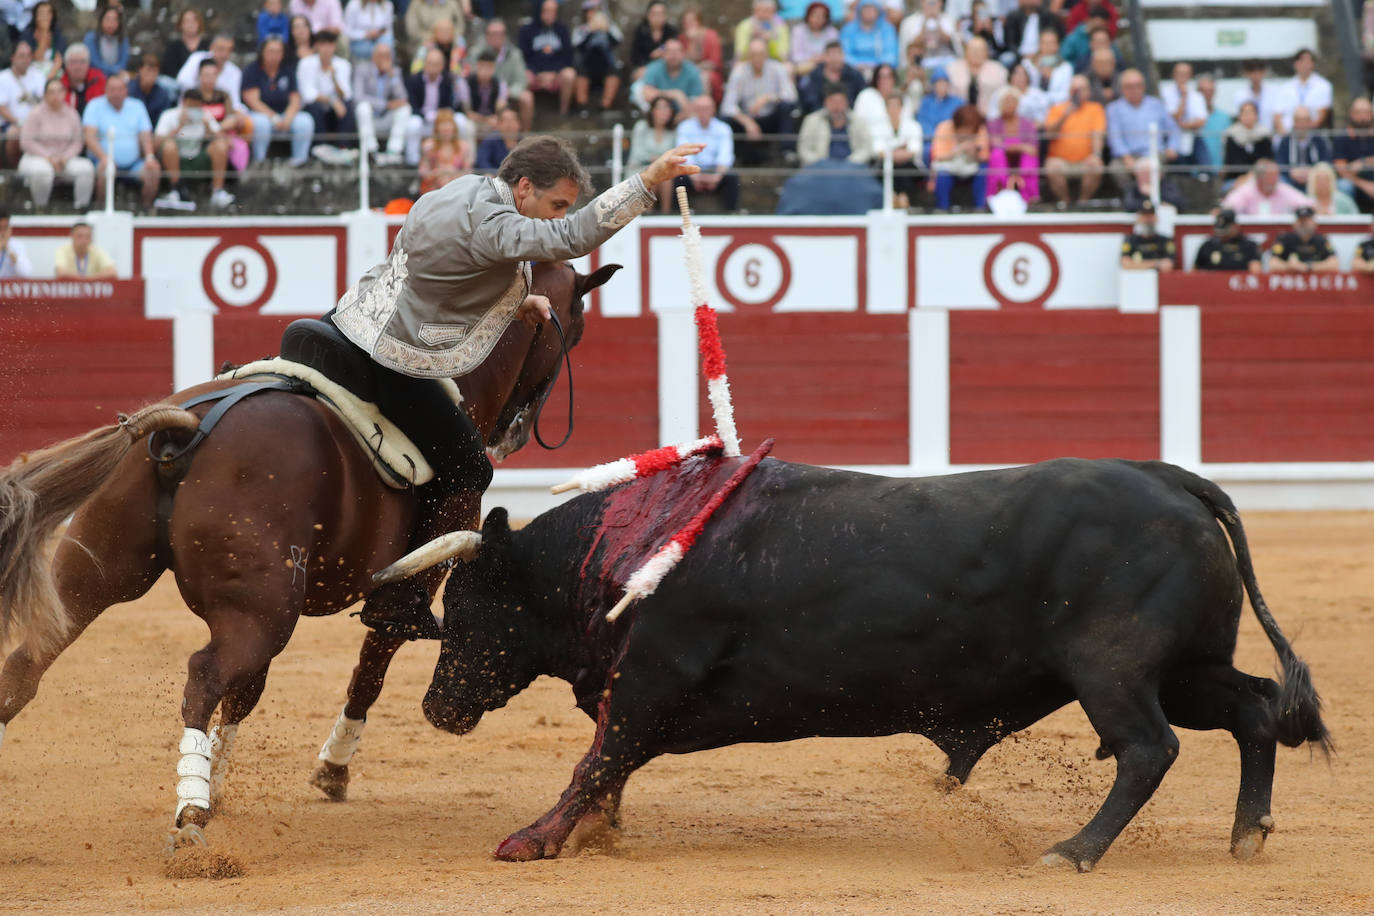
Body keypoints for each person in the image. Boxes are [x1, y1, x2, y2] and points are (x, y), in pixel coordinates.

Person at [327, 136, 703, 637]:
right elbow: (571, 238)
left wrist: (512, 300)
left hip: (348, 322)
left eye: (564, 206)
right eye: (556, 204)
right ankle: (400, 600)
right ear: (524, 187)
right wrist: (648, 179)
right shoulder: (498, 224)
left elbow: (450, 274)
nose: (557, 216)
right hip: (398, 357)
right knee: (468, 467)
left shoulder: (460, 190)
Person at [82, 73, 160, 209]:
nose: (116, 93)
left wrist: (149, 156)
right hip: (103, 160)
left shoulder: (137, 106)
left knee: (153, 169)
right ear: (105, 90)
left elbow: (145, 134)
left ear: (126, 90)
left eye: (119, 89)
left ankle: (145, 209)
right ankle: (101, 208)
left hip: (134, 163)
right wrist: (104, 157)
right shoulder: (94, 106)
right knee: (105, 168)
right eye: (112, 89)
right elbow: (89, 136)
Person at [18, 77, 94, 209]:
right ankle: (40, 208)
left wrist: (65, 157)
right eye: (51, 92)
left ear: (64, 93)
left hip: (64, 158)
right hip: (36, 157)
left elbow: (77, 142)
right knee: (42, 172)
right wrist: (49, 157)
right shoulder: (35, 113)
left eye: (59, 91)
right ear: (45, 95)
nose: (56, 96)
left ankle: (81, 208)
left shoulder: (72, 114)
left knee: (86, 169)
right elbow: (26, 142)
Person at [155, 88, 235, 210]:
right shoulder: (169, 115)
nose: (194, 110)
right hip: (176, 159)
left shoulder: (205, 116)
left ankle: (217, 192)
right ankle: (176, 190)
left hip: (197, 157)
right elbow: (156, 143)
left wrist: (208, 128)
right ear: (184, 103)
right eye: (191, 106)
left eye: (197, 107)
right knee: (169, 145)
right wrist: (179, 126)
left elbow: (225, 141)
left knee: (220, 145)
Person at [1106, 69, 1179, 200]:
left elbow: (1173, 129)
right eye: (1129, 86)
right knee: (1116, 168)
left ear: (1144, 86)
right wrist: (1126, 156)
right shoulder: (1114, 108)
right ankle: (1133, 198)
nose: (1134, 90)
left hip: (1156, 153)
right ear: (1122, 88)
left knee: (1151, 166)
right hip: (1128, 155)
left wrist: (1172, 147)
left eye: (1137, 85)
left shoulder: (1157, 105)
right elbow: (1114, 136)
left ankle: (1154, 199)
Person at [721, 37, 796, 164]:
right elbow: (727, 106)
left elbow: (791, 95)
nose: (757, 58)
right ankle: (731, 157)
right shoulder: (739, 72)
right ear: (748, 56)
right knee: (724, 119)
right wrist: (746, 121)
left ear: (766, 54)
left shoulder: (777, 68)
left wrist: (768, 97)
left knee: (786, 107)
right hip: (747, 120)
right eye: (753, 54)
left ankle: (787, 152)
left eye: (760, 54)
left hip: (771, 118)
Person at [243, 36, 315, 166]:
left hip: (284, 114)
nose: (274, 55)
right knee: (261, 124)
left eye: (278, 52)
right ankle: (260, 162)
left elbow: (295, 98)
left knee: (305, 121)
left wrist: (287, 118)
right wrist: (274, 118)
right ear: (262, 52)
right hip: (261, 114)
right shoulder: (252, 70)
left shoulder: (287, 70)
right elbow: (252, 100)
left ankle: (299, 162)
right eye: (270, 51)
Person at [1043, 73, 1104, 204]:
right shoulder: (1057, 109)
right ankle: (1065, 203)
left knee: (1096, 164)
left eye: (1081, 89)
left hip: (1085, 160)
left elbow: (1097, 134)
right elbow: (1049, 134)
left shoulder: (1095, 109)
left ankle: (1083, 202)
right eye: (1074, 89)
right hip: (1060, 161)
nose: (1077, 93)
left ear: (1088, 91)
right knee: (1051, 166)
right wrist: (1064, 116)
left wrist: (1096, 154)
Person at [298, 30, 357, 160]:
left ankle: (344, 147)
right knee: (315, 106)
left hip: (335, 111)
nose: (326, 48)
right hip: (315, 109)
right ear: (317, 46)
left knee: (348, 105)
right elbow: (308, 94)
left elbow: (346, 94)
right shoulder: (306, 64)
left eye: (330, 44)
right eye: (323, 44)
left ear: (334, 46)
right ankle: (320, 147)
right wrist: (332, 101)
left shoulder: (343, 65)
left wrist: (334, 78)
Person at [675, 94, 738, 210]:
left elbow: (725, 156)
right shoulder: (684, 127)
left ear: (713, 110)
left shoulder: (723, 128)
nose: (703, 112)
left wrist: (717, 177)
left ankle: (731, 216)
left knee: (732, 177)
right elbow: (684, 155)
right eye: (700, 109)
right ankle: (676, 216)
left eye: (707, 108)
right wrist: (695, 177)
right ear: (695, 110)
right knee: (678, 178)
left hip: (716, 170)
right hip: (691, 170)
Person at [353, 40, 410, 164]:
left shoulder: (395, 72)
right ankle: (370, 150)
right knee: (363, 107)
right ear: (373, 56)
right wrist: (386, 104)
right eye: (380, 55)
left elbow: (403, 99)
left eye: (387, 56)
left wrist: (392, 76)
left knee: (405, 109)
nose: (384, 59)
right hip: (368, 118)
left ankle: (394, 151)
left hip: (385, 118)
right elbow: (358, 97)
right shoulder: (362, 69)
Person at [471, 20, 533, 131]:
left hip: (509, 95)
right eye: (492, 34)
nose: (496, 37)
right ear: (486, 36)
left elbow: (521, 80)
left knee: (527, 97)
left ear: (505, 36)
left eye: (500, 34)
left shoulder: (515, 54)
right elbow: (470, 76)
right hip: (483, 94)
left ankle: (524, 138)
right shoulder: (476, 53)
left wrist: (507, 92)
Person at [798, 80, 874, 166]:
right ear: (825, 102)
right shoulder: (812, 120)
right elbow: (803, 150)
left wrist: (851, 163)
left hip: (852, 170)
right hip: (820, 171)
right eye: (832, 101)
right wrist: (821, 163)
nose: (836, 106)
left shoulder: (858, 121)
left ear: (847, 102)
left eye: (840, 101)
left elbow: (867, 148)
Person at [520, 0, 576, 116]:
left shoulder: (562, 30)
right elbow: (524, 57)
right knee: (524, 76)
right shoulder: (527, 30)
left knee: (569, 74)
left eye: (553, 11)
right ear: (539, 11)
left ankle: (563, 113)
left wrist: (554, 73)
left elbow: (568, 57)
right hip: (535, 75)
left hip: (556, 75)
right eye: (547, 11)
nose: (550, 15)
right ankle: (528, 113)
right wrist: (538, 73)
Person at [930, 102, 987, 210]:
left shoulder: (980, 129)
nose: (967, 133)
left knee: (983, 171)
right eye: (964, 128)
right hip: (950, 167)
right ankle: (943, 210)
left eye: (970, 129)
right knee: (942, 175)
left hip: (971, 167)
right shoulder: (943, 128)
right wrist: (959, 149)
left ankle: (980, 209)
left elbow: (984, 157)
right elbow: (938, 155)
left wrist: (973, 153)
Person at [986, 85, 1038, 202]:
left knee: (1029, 158)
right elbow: (994, 144)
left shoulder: (1027, 124)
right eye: (1006, 101)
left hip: (1021, 159)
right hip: (1002, 159)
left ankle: (1030, 195)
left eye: (1013, 100)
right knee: (997, 155)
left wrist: (1008, 146)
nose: (1009, 104)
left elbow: (1033, 150)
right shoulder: (993, 123)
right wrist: (1019, 146)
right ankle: (999, 191)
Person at [873, 90, 924, 207]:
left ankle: (901, 199)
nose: (893, 109)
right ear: (886, 108)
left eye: (896, 106)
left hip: (908, 165)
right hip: (886, 166)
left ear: (901, 107)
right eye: (890, 106)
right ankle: (896, 198)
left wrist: (890, 152)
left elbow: (914, 150)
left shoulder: (913, 126)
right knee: (887, 167)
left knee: (904, 168)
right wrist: (900, 150)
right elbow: (878, 151)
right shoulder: (878, 127)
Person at [629, 95, 678, 209]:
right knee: (653, 177)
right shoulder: (641, 127)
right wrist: (659, 160)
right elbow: (638, 153)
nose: (664, 112)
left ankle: (666, 215)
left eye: (667, 108)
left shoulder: (672, 131)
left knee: (664, 178)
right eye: (660, 108)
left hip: (663, 171)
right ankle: (647, 216)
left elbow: (674, 154)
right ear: (652, 111)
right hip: (640, 169)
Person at [0, 41, 44, 165]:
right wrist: (20, 122)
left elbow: (44, 102)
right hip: (12, 124)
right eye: (21, 55)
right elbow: (1, 108)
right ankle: (14, 170)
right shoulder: (3, 78)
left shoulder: (39, 76)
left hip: (36, 124)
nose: (25, 59)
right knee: (14, 134)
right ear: (12, 57)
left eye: (28, 55)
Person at [572, 2, 622, 111]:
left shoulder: (610, 27)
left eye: (596, 11)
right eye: (590, 11)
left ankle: (605, 105)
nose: (594, 14)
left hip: (605, 66)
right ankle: (582, 107)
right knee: (580, 73)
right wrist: (590, 31)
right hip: (587, 66)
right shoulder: (581, 29)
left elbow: (618, 41)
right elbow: (577, 45)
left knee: (614, 73)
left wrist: (607, 29)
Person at [1221, 159, 1314, 217]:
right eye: (1271, 175)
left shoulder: (1282, 188)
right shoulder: (1247, 190)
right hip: (1250, 240)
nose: (1275, 179)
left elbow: (1306, 204)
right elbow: (1230, 206)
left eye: (1276, 175)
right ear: (1259, 178)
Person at [176, 34, 244, 112]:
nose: (224, 54)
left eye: (229, 50)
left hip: (221, 112)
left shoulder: (235, 72)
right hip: (192, 109)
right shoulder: (196, 59)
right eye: (221, 49)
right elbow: (182, 82)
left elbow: (235, 102)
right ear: (212, 47)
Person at [1158, 61, 1207, 167]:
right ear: (1174, 74)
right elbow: (1174, 117)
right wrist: (1183, 98)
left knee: (1206, 166)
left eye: (1185, 74)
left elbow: (1202, 121)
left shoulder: (1197, 96)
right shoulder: (1165, 92)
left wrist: (1183, 125)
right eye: (1179, 73)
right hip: (1172, 138)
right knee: (1180, 169)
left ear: (1190, 75)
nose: (1182, 77)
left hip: (1194, 136)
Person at [798, 40, 866, 115]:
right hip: (821, 116)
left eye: (838, 54)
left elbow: (863, 98)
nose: (835, 59)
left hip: (850, 115)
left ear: (843, 56)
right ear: (824, 57)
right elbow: (810, 101)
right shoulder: (814, 76)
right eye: (832, 55)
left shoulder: (854, 75)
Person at [1273, 48, 1331, 133]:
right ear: (1295, 64)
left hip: (1312, 134)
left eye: (1307, 61)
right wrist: (1285, 136)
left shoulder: (1324, 86)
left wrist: (1303, 131)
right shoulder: (1284, 88)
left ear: (1313, 64)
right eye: (1301, 61)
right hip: (1288, 134)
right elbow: (1277, 115)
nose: (1304, 65)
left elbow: (1321, 116)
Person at [637, 38, 702, 113]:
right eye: (669, 52)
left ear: (683, 54)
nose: (673, 56)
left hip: (684, 115)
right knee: (637, 87)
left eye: (676, 52)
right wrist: (674, 94)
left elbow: (698, 100)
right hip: (659, 114)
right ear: (663, 54)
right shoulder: (654, 67)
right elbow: (647, 94)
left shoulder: (693, 71)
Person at [946, 35, 1005, 118]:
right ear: (966, 51)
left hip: (989, 116)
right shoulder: (951, 69)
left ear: (986, 52)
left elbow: (1002, 96)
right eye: (973, 50)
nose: (976, 53)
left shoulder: (998, 70)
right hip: (958, 116)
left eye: (980, 50)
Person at [1332, 97, 1374, 212]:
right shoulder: (1342, 137)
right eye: (1359, 112)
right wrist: (1366, 186)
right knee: (1343, 185)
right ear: (1352, 115)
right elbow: (1342, 170)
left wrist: (1363, 162)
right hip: (1354, 183)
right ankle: (1348, 219)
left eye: (1366, 112)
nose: (1363, 117)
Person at [1267, 205, 1338, 273]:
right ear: (1295, 223)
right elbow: (1272, 264)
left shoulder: (1321, 240)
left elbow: (1334, 264)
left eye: (1306, 220)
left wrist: (1309, 267)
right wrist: (1290, 266)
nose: (1303, 223)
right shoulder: (1284, 239)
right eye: (1301, 220)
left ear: (1314, 223)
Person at [1273, 106, 1330, 189]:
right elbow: (1279, 163)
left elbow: (1326, 162)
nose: (1302, 124)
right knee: (1280, 181)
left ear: (1310, 122)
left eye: (1305, 120)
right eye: (1298, 120)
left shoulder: (1319, 141)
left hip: (1316, 180)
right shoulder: (1286, 141)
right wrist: (1291, 172)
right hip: (1290, 180)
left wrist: (1313, 172)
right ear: (1294, 122)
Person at [916, 64, 962, 162]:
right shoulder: (926, 102)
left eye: (944, 82)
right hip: (930, 141)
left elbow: (960, 122)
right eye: (938, 82)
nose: (941, 85)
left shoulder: (958, 102)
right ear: (933, 85)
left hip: (951, 141)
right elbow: (922, 122)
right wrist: (935, 137)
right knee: (927, 151)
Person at [899, 0, 960, 73]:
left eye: (934, 2)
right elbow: (909, 50)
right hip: (921, 64)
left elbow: (956, 47)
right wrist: (925, 21)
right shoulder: (908, 22)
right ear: (922, 2)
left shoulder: (950, 20)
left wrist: (937, 21)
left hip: (946, 63)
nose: (931, 4)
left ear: (940, 3)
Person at [841, 0, 899, 77]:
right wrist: (858, 65)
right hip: (854, 72)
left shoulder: (887, 29)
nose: (869, 12)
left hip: (880, 73)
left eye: (872, 9)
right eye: (866, 9)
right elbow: (844, 53)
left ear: (878, 12)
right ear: (860, 11)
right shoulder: (848, 29)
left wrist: (876, 66)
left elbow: (891, 54)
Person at [853, 63, 910, 142]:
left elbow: (908, 124)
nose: (885, 81)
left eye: (889, 77)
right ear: (876, 79)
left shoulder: (903, 98)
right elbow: (858, 123)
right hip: (870, 143)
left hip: (899, 143)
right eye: (882, 77)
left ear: (894, 79)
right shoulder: (866, 96)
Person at [1193, 208, 1261, 273]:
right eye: (1219, 231)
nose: (1221, 235)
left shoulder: (1249, 246)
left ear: (1235, 226)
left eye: (1225, 231)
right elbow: (1194, 272)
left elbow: (1256, 272)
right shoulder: (1208, 245)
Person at [418, 108, 469, 194]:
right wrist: (435, 173)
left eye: (448, 125)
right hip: (434, 187)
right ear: (436, 128)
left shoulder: (463, 146)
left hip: (457, 187)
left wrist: (453, 173)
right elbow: (423, 170)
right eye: (442, 125)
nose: (446, 129)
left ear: (454, 127)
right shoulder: (429, 146)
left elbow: (468, 172)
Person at [457, 48, 508, 132]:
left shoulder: (500, 84)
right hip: (473, 121)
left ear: (494, 68)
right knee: (468, 126)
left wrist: (496, 116)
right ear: (477, 65)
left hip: (492, 121)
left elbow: (499, 110)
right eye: (482, 66)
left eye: (489, 66)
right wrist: (485, 120)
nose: (485, 70)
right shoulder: (465, 83)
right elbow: (468, 113)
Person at [680, 7, 722, 102]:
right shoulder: (682, 38)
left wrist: (694, 69)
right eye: (686, 22)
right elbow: (682, 62)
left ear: (699, 21)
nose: (688, 24)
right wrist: (692, 42)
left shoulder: (711, 35)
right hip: (687, 72)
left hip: (707, 74)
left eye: (691, 21)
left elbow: (714, 63)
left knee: (702, 77)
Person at [1118, 199, 1174, 271]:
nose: (1148, 220)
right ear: (1139, 218)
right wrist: (1156, 264)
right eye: (1145, 216)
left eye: (1150, 216)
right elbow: (1125, 264)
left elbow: (1168, 265)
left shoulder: (1166, 240)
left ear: (1156, 218)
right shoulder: (1130, 240)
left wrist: (1137, 265)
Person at [405, 0, 465, 68]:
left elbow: (460, 25)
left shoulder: (452, 2)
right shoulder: (416, 4)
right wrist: (434, 36)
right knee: (422, 51)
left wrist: (450, 35)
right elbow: (413, 30)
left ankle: (459, 73)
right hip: (425, 41)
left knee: (460, 42)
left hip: (450, 39)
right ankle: (420, 73)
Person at [1222, 101, 1271, 182]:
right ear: (1240, 116)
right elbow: (1230, 163)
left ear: (1256, 115)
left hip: (1261, 179)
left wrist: (1252, 175)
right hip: (1236, 179)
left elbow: (1268, 160)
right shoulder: (1231, 135)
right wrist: (1245, 177)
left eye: (1251, 112)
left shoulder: (1264, 135)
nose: (1248, 116)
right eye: (1245, 113)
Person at [629, 0, 675, 82]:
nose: (657, 17)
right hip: (645, 66)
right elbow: (635, 56)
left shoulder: (670, 31)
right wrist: (650, 57)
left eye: (661, 14)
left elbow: (671, 45)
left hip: (666, 66)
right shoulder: (641, 31)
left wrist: (662, 49)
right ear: (648, 15)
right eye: (654, 14)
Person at [733, 0, 788, 65]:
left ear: (773, 10)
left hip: (775, 63)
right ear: (754, 10)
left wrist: (771, 41)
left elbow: (783, 56)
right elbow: (740, 55)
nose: (762, 13)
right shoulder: (745, 26)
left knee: (787, 67)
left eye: (767, 10)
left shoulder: (780, 26)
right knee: (738, 66)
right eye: (759, 10)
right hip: (749, 63)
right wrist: (752, 38)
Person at [792, 1, 839, 79]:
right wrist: (812, 59)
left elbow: (835, 52)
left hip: (826, 64)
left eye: (822, 16)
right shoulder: (798, 31)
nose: (818, 19)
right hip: (805, 65)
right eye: (815, 15)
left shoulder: (832, 32)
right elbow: (795, 55)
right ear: (808, 15)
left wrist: (823, 58)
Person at [128, 53, 174, 128]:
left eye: (154, 71)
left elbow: (164, 120)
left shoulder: (162, 94)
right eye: (148, 70)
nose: (151, 74)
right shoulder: (128, 90)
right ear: (140, 70)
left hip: (154, 133)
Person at [1232, 59, 1278, 134]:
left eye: (1258, 72)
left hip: (1269, 136)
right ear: (1246, 73)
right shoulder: (1240, 95)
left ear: (1264, 72)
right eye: (1252, 72)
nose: (1255, 75)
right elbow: (1240, 119)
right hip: (1247, 138)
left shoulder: (1274, 92)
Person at [21, 1, 65, 80]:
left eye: (48, 13)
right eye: (41, 13)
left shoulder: (57, 33)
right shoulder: (28, 33)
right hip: (32, 73)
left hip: (53, 74)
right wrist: (44, 31)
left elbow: (59, 60)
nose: (45, 16)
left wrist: (48, 79)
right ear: (35, 16)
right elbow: (38, 57)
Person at [1195, 73, 1230, 172]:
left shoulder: (1224, 118)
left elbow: (1227, 146)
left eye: (1210, 91)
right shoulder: (1189, 119)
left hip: (1218, 172)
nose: (1207, 95)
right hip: (1192, 173)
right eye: (1203, 91)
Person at [83, 6, 128, 79]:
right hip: (97, 75)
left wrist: (116, 72)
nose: (111, 23)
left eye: (115, 20)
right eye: (108, 19)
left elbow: (123, 62)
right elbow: (93, 62)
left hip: (117, 76)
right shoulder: (91, 38)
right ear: (101, 20)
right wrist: (113, 70)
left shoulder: (123, 39)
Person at [162, 9, 209, 80]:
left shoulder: (208, 45)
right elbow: (169, 72)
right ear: (180, 24)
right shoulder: (173, 47)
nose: (191, 24)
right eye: (187, 21)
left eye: (194, 21)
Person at [60, 44, 106, 116]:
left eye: (82, 62)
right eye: (73, 62)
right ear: (66, 65)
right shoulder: (60, 85)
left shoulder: (99, 79)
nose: (78, 67)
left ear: (88, 64)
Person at [343, 0, 394, 64]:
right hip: (360, 42)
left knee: (386, 44)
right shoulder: (353, 4)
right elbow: (346, 31)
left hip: (380, 40)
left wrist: (379, 33)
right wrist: (365, 34)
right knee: (381, 52)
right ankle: (383, 71)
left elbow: (389, 30)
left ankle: (383, 70)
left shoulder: (388, 5)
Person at [475, 105, 520, 169]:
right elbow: (482, 161)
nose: (509, 125)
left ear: (519, 124)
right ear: (498, 124)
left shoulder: (525, 143)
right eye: (504, 120)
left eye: (512, 120)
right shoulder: (491, 139)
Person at [0, 210, 33, 277]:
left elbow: (27, 273)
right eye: (0, 228)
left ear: (10, 229)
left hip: (9, 286)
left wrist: (9, 250)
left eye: (5, 228)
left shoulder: (17, 245)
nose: (2, 232)